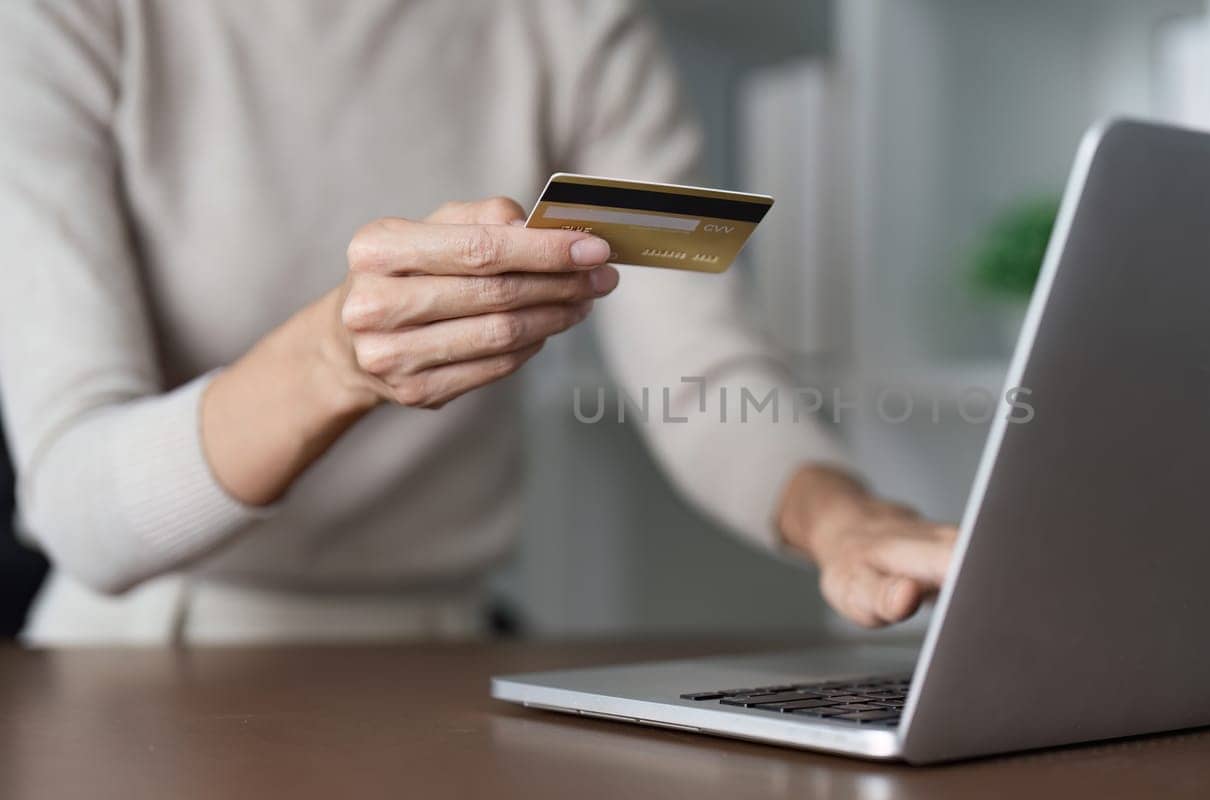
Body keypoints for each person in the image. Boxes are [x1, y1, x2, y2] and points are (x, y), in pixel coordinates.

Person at [0, 0, 956, 644]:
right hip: (140, 661)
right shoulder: (69, 20)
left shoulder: (575, 25)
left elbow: (700, 371)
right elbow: (77, 508)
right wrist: (335, 363)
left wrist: (845, 519)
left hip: (443, 654)